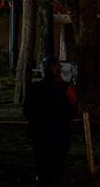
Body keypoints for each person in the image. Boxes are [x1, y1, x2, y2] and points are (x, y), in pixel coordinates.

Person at [23, 55, 79, 187]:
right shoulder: (66, 89)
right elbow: (73, 109)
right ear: (58, 71)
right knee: (57, 167)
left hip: (39, 134)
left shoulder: (34, 89)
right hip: (60, 134)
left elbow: (27, 111)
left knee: (42, 168)